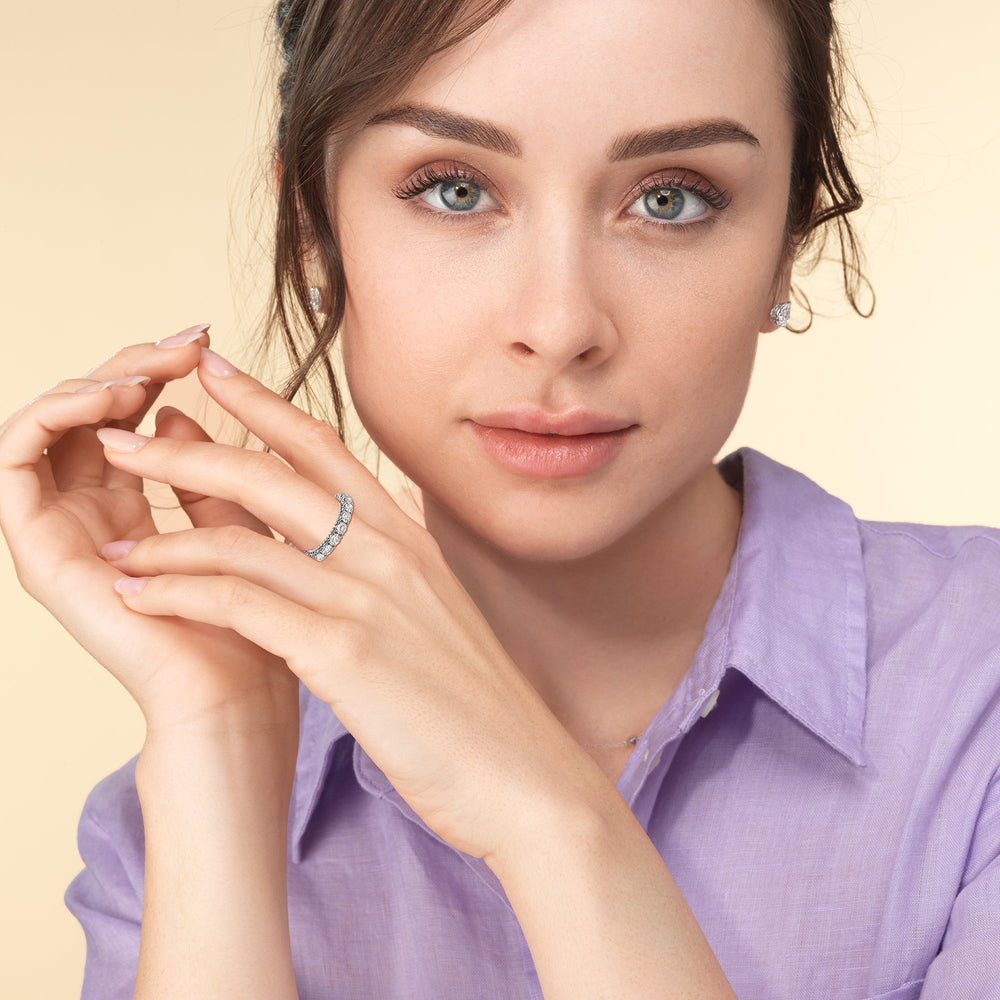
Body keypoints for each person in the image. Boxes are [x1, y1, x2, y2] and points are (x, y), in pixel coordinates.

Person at [1, 0, 997, 997]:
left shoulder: (972, 695)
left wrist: (545, 811)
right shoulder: (170, 828)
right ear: (313, 230)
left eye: (670, 198)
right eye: (453, 188)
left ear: (785, 238)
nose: (559, 323)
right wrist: (222, 741)